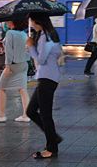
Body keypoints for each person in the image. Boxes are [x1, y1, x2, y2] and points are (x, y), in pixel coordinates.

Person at [25, 13, 63, 159]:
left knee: (46, 115)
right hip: (47, 77)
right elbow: (57, 53)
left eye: (32, 21)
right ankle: (54, 138)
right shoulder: (47, 35)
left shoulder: (45, 37)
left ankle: (51, 148)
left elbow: (40, 60)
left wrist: (30, 47)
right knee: (31, 111)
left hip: (48, 78)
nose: (31, 24)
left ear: (37, 21)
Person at [0, 19, 30, 123]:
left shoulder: (10, 33)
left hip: (13, 64)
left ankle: (1, 115)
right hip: (23, 63)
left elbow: (9, 52)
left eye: (8, 22)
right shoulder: (23, 34)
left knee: (1, 88)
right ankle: (26, 115)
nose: (6, 23)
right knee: (22, 89)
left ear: (13, 23)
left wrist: (7, 66)